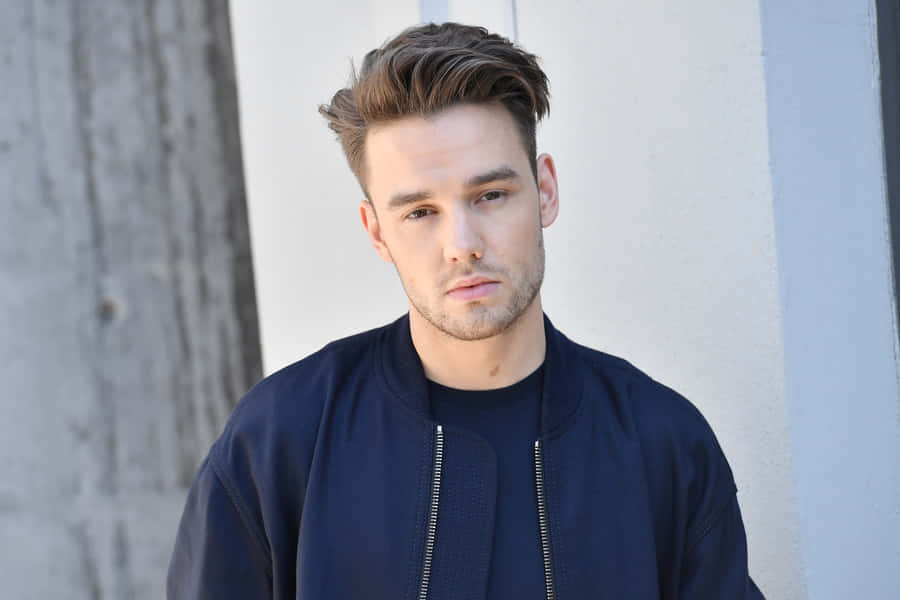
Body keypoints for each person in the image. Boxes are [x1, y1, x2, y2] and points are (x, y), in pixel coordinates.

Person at [167, 22, 766, 599]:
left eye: (491, 195)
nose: (462, 243)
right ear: (377, 232)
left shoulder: (661, 442)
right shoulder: (281, 440)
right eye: (419, 212)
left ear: (546, 191)